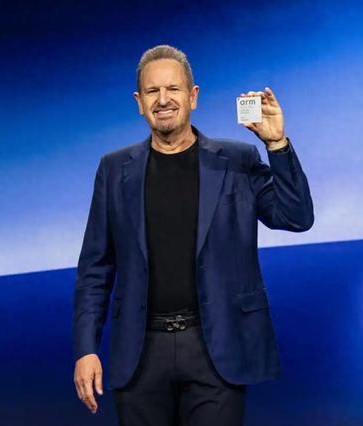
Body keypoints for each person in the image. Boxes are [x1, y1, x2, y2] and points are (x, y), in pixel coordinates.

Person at [72, 44, 314, 425]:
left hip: (216, 349)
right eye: (152, 91)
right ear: (139, 102)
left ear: (193, 96)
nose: (163, 100)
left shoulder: (237, 161)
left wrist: (276, 145)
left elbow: (296, 217)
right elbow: (95, 269)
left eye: (173, 89)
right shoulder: (114, 170)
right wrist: (86, 349)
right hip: (140, 353)